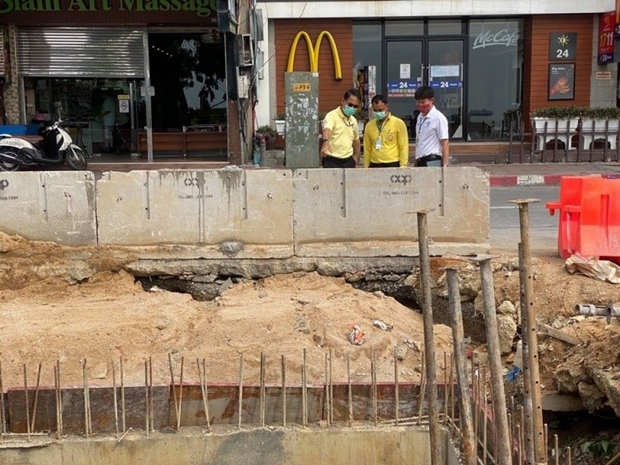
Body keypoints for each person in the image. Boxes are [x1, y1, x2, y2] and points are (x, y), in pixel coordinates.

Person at [363, 94, 409, 168]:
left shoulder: (398, 123)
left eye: (380, 110)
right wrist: (366, 166)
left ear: (387, 107)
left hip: (392, 163)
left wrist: (403, 165)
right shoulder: (369, 125)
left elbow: (403, 146)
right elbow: (367, 148)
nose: (378, 113)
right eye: (375, 110)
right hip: (374, 164)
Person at [320, 89, 362, 168]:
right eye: (350, 104)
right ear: (343, 101)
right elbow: (327, 129)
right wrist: (326, 142)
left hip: (348, 161)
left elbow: (356, 139)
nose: (352, 108)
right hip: (331, 160)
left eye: (355, 106)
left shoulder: (353, 120)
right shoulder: (332, 116)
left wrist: (357, 156)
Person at [413, 86, 450, 167]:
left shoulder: (438, 117)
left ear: (431, 100)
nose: (420, 105)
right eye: (418, 102)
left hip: (433, 160)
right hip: (420, 159)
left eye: (423, 102)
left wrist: (445, 165)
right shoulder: (420, 117)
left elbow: (445, 142)